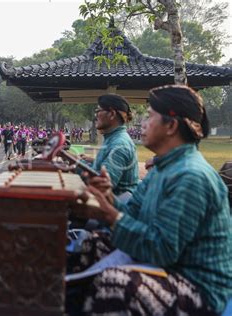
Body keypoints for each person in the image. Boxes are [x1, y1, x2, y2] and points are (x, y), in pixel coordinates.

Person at [67, 85, 232, 315]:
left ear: (171, 125)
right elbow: (132, 212)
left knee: (115, 283)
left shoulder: (191, 176)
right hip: (168, 265)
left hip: (196, 285)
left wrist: (111, 216)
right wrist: (108, 200)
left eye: (150, 116)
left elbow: (162, 250)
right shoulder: (163, 167)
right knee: (90, 244)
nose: (142, 123)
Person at [81, 94, 139, 198]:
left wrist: (76, 165)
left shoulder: (119, 144)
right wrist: (77, 161)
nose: (96, 115)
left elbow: (101, 184)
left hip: (114, 207)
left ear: (112, 114)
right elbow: (100, 170)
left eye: (98, 110)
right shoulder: (112, 139)